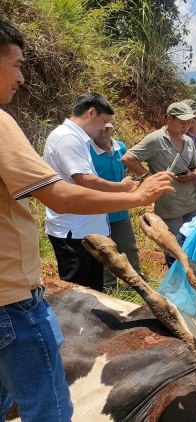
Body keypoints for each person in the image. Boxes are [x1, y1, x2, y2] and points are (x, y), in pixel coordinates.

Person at [0, 20, 174, 420]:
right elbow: (64, 190)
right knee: (50, 404)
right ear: (92, 113)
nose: (23, 78)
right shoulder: (42, 132)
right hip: (12, 296)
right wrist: (138, 195)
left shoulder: (78, 139)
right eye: (17, 65)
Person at [43, 93, 138, 292]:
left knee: (92, 292)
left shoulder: (79, 138)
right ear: (91, 112)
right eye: (104, 121)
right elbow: (85, 180)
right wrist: (122, 188)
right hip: (74, 230)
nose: (104, 127)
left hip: (85, 229)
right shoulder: (68, 138)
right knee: (77, 295)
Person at [122, 102, 196, 265]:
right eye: (182, 123)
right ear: (169, 119)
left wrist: (193, 176)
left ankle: (193, 283)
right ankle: (174, 285)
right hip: (169, 204)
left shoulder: (188, 141)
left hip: (191, 202)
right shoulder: (155, 139)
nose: (186, 126)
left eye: (189, 123)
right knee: (174, 248)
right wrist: (149, 177)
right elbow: (128, 158)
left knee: (195, 243)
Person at [89, 122, 147, 287]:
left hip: (120, 207)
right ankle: (110, 285)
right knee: (105, 248)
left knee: (128, 245)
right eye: (100, 127)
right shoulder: (88, 151)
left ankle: (137, 279)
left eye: (107, 128)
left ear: (113, 128)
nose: (103, 131)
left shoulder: (119, 147)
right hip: (99, 209)